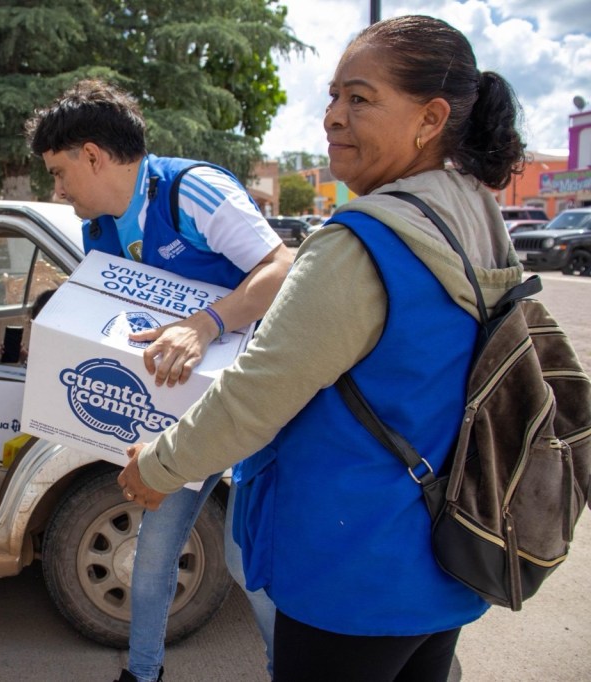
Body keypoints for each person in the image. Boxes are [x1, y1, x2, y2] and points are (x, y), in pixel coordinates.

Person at [118, 14, 527, 681]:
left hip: (351, 571)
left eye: (360, 98)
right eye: (333, 96)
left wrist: (158, 467)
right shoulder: (475, 217)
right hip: (449, 549)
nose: (333, 116)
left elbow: (257, 395)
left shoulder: (361, 243)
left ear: (430, 119)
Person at [26, 79, 293, 682]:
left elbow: (282, 267)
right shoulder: (99, 230)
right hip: (181, 416)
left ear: (93, 155)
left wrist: (205, 325)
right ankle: (142, 674)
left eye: (60, 173)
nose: (57, 190)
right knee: (150, 556)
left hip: (254, 406)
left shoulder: (191, 191)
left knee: (243, 559)